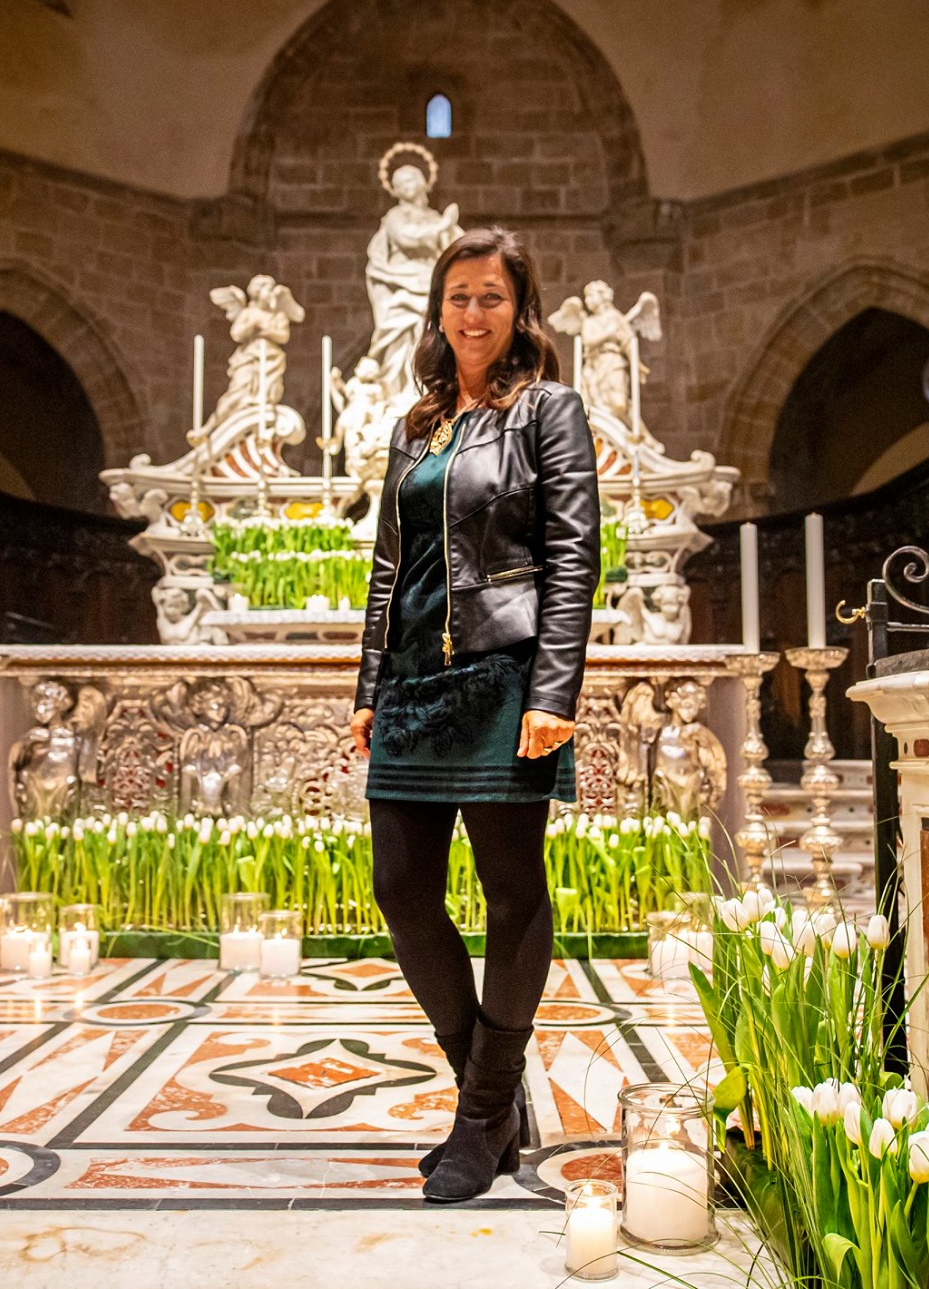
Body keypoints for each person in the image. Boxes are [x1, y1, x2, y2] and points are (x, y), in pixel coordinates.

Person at [349, 227, 601, 1203]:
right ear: (436, 308)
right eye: (457, 295)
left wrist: (553, 692)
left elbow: (574, 556)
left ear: (518, 309)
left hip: (503, 674)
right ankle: (490, 1098)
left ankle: (481, 1108)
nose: (472, 312)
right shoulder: (412, 426)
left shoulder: (548, 410)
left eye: (490, 296)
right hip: (413, 682)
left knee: (510, 889)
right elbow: (384, 569)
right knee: (399, 886)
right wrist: (368, 687)